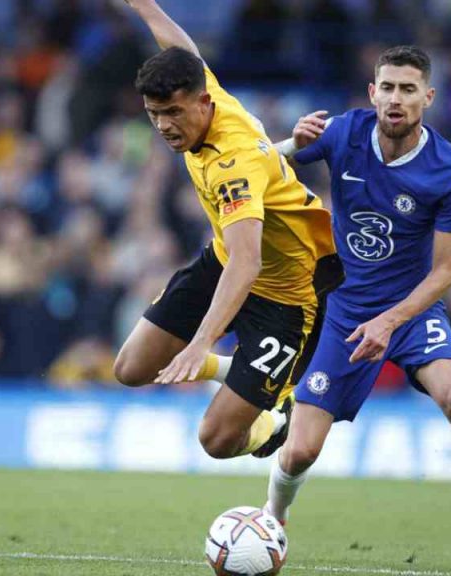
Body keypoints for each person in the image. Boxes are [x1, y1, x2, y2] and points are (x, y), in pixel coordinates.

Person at [265, 45, 451, 572]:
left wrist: (391, 320)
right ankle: (271, 523)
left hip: (411, 310)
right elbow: (256, 165)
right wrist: (290, 142)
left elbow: (445, 271)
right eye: (387, 88)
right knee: (300, 452)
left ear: (428, 97)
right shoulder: (343, 133)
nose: (395, 99)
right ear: (372, 92)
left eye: (408, 89)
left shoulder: (450, 170)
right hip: (345, 311)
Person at [114, 0, 342, 461]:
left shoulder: (231, 164)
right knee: (131, 368)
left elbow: (248, 261)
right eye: (154, 113)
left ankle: (278, 416)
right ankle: (232, 368)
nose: (164, 126)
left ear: (202, 102)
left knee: (217, 441)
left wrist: (201, 343)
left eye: (173, 113)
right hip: (225, 258)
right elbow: (181, 46)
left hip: (289, 291)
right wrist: (144, 6)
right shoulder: (201, 90)